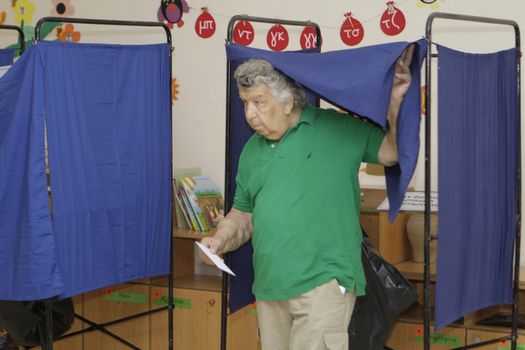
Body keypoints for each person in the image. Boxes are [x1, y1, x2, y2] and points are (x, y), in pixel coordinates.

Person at [200, 45, 414, 350]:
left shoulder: (337, 130)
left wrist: (395, 103)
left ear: (287, 102)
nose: (250, 114)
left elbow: (392, 153)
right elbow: (243, 214)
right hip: (270, 288)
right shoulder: (252, 150)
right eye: (245, 103)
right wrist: (219, 240)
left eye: (259, 102)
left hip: (323, 285)